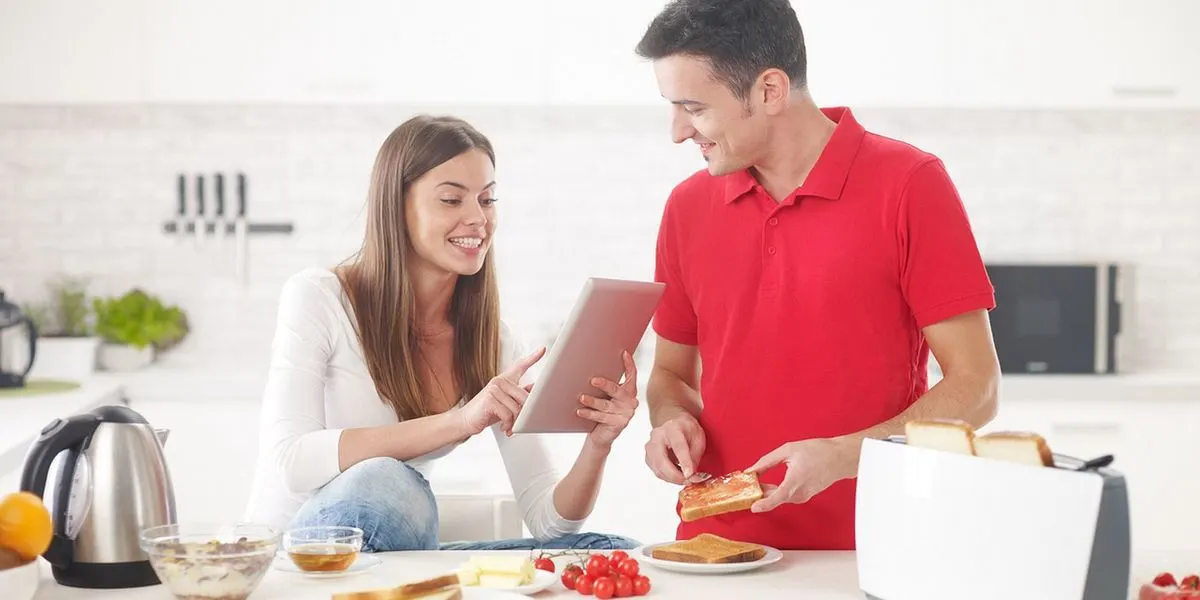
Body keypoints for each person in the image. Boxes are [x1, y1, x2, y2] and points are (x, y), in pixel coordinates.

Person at [634, 0, 1002, 550]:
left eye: (694, 108)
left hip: (874, 546)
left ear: (770, 90)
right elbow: (670, 374)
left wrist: (844, 455)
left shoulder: (909, 184)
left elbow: (978, 386)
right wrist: (668, 419)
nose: (678, 132)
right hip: (719, 550)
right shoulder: (687, 207)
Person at [243, 115, 641, 552]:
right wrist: (460, 421)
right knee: (386, 478)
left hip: (396, 559)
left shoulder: (495, 343)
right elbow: (294, 461)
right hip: (297, 562)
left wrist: (598, 445)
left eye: (487, 200)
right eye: (452, 200)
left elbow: (549, 524)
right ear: (397, 206)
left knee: (607, 548)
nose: (477, 219)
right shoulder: (321, 297)